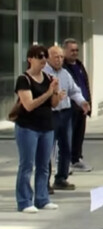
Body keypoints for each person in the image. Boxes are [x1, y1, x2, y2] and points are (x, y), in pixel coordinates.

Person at [14, 45, 60, 214]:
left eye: (45, 56)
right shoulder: (23, 79)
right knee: (27, 165)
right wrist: (48, 93)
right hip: (28, 128)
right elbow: (29, 105)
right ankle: (24, 200)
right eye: (39, 56)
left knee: (44, 166)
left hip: (46, 127)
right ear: (30, 59)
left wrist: (56, 93)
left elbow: (53, 104)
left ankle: (42, 198)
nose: (43, 60)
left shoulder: (48, 77)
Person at [44, 46, 90, 191]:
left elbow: (74, 91)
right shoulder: (44, 73)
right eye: (56, 57)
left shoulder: (65, 73)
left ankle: (61, 178)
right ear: (48, 57)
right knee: (47, 150)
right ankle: (44, 182)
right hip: (50, 114)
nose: (59, 60)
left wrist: (82, 102)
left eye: (61, 57)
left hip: (65, 113)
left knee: (66, 148)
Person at [63, 38, 92, 172]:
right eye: (72, 50)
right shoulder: (63, 68)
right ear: (65, 51)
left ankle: (76, 159)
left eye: (76, 50)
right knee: (67, 136)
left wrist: (88, 102)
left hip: (82, 107)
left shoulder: (79, 65)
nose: (75, 53)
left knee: (79, 135)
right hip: (70, 108)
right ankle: (65, 162)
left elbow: (84, 85)